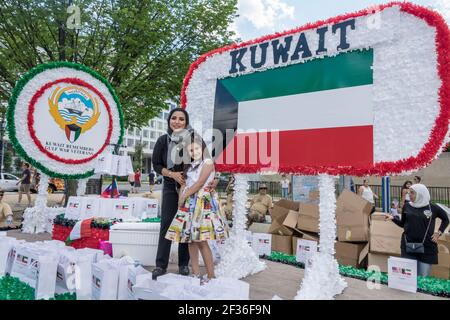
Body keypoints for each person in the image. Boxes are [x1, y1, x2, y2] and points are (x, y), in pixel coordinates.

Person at [166, 134, 228, 284]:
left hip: (202, 203)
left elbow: (200, 183)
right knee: (190, 240)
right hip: (189, 204)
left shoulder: (207, 162)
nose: (194, 152)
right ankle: (195, 273)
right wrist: (182, 197)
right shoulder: (190, 165)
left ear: (203, 148)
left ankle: (211, 276)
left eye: (196, 148)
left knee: (201, 240)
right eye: (191, 150)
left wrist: (183, 196)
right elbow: (184, 184)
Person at [151, 107, 193, 279]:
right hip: (169, 186)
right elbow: (156, 165)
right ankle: (161, 265)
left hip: (189, 187)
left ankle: (184, 264)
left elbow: (204, 160)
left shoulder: (193, 141)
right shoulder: (163, 141)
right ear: (169, 121)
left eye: (181, 119)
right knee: (167, 224)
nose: (177, 121)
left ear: (186, 122)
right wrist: (172, 174)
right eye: (174, 118)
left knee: (185, 225)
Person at [385, 184, 449, 277]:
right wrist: (393, 218)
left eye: (412, 193)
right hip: (408, 245)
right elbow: (403, 224)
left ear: (421, 194)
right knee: (408, 277)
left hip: (427, 247)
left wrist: (438, 232)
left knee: (423, 277)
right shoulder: (407, 206)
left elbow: (446, 219)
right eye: (409, 192)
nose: (409, 195)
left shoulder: (433, 208)